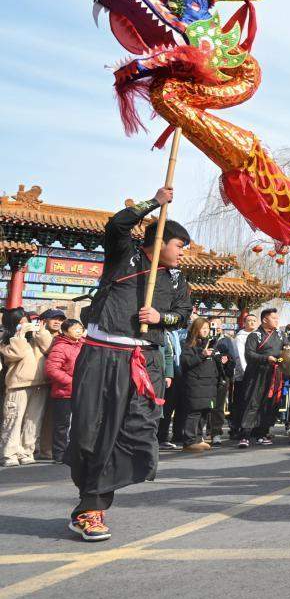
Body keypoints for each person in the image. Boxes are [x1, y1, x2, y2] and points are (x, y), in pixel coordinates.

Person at [65, 188, 193, 541]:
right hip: (101, 354)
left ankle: (93, 505)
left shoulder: (179, 280)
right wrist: (155, 202)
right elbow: (118, 225)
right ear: (161, 241)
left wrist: (160, 316)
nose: (184, 252)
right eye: (179, 245)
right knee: (94, 431)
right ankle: (90, 509)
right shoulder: (123, 256)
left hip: (143, 361)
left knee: (135, 432)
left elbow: (182, 316)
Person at [1, 308, 49, 467]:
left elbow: (49, 348)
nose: (25, 324)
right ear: (12, 324)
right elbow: (16, 354)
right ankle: (9, 453)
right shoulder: (7, 340)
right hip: (18, 385)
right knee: (13, 419)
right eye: (20, 322)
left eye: (26, 321)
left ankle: (26, 451)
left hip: (40, 384)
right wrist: (19, 335)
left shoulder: (36, 338)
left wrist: (41, 332)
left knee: (33, 421)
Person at [237, 308, 285, 448]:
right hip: (257, 374)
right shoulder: (255, 335)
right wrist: (266, 358)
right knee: (253, 403)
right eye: (274, 318)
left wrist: (287, 349)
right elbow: (249, 355)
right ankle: (245, 435)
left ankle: (262, 433)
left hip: (274, 374)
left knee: (269, 404)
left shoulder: (281, 335)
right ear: (265, 320)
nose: (277, 321)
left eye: (277, 318)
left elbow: (286, 349)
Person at [178, 317, 228, 452]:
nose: (205, 331)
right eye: (202, 328)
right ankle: (189, 441)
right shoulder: (188, 344)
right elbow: (186, 363)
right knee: (194, 412)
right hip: (195, 383)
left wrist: (221, 359)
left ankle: (199, 439)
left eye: (207, 328)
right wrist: (202, 355)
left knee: (205, 412)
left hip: (209, 383)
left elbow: (214, 362)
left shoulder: (212, 344)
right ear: (196, 329)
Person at [44, 319, 85, 464]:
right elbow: (52, 369)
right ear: (66, 331)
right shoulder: (60, 346)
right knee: (62, 425)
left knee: (79, 423)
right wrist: (71, 381)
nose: (79, 331)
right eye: (75, 329)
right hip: (64, 392)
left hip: (81, 391)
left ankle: (74, 453)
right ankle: (60, 454)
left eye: (81, 328)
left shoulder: (84, 345)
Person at [32, 308, 66, 461]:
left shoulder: (62, 336)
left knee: (50, 419)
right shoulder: (38, 334)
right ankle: (30, 448)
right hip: (37, 381)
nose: (58, 322)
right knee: (33, 416)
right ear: (44, 321)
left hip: (54, 383)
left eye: (60, 319)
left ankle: (47, 449)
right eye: (54, 318)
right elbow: (49, 349)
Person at [228, 312, 258, 441]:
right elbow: (240, 356)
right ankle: (236, 428)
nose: (251, 322)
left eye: (254, 320)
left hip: (256, 374)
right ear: (244, 323)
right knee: (240, 402)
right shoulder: (240, 337)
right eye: (249, 320)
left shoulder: (258, 335)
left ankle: (252, 428)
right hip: (243, 375)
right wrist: (248, 372)